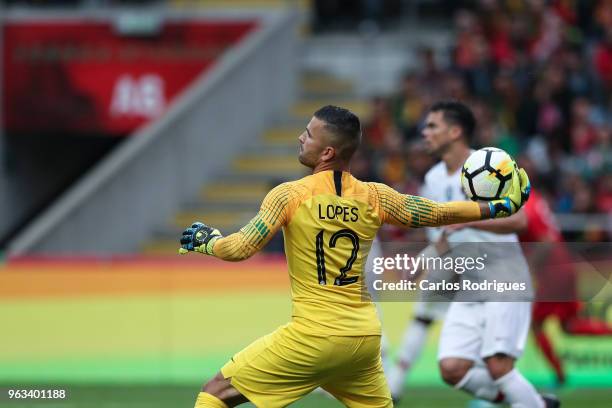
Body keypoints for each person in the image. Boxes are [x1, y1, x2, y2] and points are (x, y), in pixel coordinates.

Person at [178, 105, 529, 408]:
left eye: (308, 133)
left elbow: (239, 248)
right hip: (362, 341)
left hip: (313, 335)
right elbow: (435, 213)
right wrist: (497, 206)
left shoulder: (288, 196)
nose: (301, 138)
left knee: (215, 394)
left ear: (328, 152)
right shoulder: (375, 196)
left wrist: (207, 242)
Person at [385, 101, 558, 408]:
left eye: (432, 126)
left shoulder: (490, 165)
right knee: (452, 370)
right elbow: (445, 236)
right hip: (469, 285)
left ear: (455, 131)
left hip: (504, 279)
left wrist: (468, 218)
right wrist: (422, 262)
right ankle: (532, 402)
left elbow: (520, 219)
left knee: (498, 367)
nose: (424, 132)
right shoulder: (434, 179)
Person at [520, 189, 612, 386]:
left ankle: (560, 376)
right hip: (563, 264)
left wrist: (530, 270)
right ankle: (560, 376)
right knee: (569, 326)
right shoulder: (532, 197)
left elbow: (545, 241)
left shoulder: (522, 206)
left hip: (552, 270)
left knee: (535, 324)